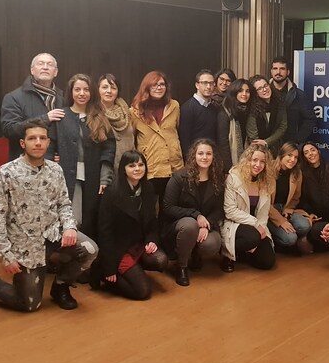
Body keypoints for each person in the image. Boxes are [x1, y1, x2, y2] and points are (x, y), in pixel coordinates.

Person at [0, 119, 98, 311]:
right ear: (23, 143)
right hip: (26, 244)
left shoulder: (55, 170)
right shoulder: (6, 173)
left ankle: (61, 287)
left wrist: (69, 227)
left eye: (42, 138)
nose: (38, 142)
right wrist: (5, 254)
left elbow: (63, 204)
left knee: (89, 249)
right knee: (29, 304)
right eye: (32, 138)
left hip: (53, 234)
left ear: (48, 142)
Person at [96, 150, 168, 300]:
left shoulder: (148, 188)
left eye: (141, 165)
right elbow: (104, 233)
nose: (137, 169)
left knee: (161, 260)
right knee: (143, 292)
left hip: (139, 244)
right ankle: (103, 273)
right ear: (123, 169)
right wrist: (109, 267)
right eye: (132, 165)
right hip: (119, 249)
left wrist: (152, 240)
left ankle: (133, 269)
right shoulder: (112, 193)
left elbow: (152, 221)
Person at [54, 74, 115, 240]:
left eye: (86, 89)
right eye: (77, 89)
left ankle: (89, 253)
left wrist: (105, 177)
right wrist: (54, 157)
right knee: (74, 219)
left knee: (91, 217)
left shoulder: (99, 116)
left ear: (92, 92)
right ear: (71, 92)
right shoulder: (61, 116)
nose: (82, 93)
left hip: (93, 176)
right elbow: (51, 143)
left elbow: (109, 148)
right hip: (67, 175)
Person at [161, 139, 225, 286]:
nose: (204, 157)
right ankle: (181, 266)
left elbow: (219, 209)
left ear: (213, 156)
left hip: (204, 225)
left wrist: (206, 224)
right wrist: (196, 215)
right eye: (200, 153)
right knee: (190, 225)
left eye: (208, 153)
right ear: (193, 155)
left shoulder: (217, 178)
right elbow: (168, 207)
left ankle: (196, 255)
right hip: (179, 226)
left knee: (213, 243)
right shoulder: (179, 177)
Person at [130, 71, 184, 210]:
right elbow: (131, 139)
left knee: (171, 208)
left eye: (162, 84)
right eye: (154, 85)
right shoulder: (135, 111)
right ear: (147, 87)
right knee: (149, 209)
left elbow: (177, 130)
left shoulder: (174, 106)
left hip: (173, 166)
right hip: (150, 167)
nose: (159, 88)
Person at [221, 142, 276, 271]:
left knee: (268, 262)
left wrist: (262, 229)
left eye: (262, 162)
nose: (258, 165)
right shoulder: (233, 178)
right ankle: (226, 255)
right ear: (247, 160)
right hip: (235, 223)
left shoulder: (266, 182)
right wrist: (256, 224)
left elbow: (264, 213)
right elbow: (230, 211)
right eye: (254, 160)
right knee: (252, 237)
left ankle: (244, 251)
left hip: (256, 227)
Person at [1, 52, 64, 160]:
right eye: (41, 63)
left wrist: (63, 155)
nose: (45, 67)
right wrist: (44, 119)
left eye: (49, 64)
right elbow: (9, 130)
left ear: (55, 72)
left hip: (56, 163)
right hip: (24, 162)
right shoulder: (13, 97)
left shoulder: (63, 98)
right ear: (32, 70)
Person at [267, 141, 314, 254]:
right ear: (281, 155)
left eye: (296, 157)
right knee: (290, 239)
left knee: (304, 226)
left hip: (285, 208)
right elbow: (264, 202)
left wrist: (288, 209)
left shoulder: (297, 173)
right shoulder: (268, 169)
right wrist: (281, 221)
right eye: (289, 155)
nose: (293, 160)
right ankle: (272, 240)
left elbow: (296, 197)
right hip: (269, 211)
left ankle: (289, 238)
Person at [269, 56, 317, 144]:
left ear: (288, 72)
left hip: (289, 145)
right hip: (267, 144)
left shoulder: (299, 95)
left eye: (282, 69)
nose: (278, 72)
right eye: (275, 69)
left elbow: (310, 119)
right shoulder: (262, 93)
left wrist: (297, 140)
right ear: (271, 71)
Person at [300, 142, 329, 250]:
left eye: (312, 150)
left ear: (318, 151)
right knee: (313, 234)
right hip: (316, 217)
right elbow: (302, 198)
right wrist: (309, 214)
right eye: (306, 152)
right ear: (304, 157)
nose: (310, 154)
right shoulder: (302, 173)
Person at [98, 73, 135, 171]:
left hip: (128, 167)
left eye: (113, 88)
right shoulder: (93, 113)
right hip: (104, 169)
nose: (109, 91)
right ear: (98, 90)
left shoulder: (127, 111)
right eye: (105, 87)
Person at [178, 69, 219, 157]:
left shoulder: (213, 108)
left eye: (211, 83)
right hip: (194, 158)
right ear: (197, 85)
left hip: (210, 156)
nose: (208, 86)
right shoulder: (187, 108)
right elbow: (184, 140)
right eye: (205, 83)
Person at [247, 74, 287, 156]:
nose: (265, 89)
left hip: (276, 148)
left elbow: (283, 126)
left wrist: (267, 142)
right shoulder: (251, 108)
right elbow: (253, 137)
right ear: (255, 93)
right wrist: (262, 147)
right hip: (257, 150)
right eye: (259, 88)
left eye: (265, 85)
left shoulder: (279, 102)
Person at [216, 78, 252, 169]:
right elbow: (223, 143)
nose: (244, 94)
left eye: (247, 91)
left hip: (245, 159)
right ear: (234, 92)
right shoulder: (225, 112)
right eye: (240, 91)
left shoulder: (248, 111)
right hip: (229, 163)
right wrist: (229, 168)